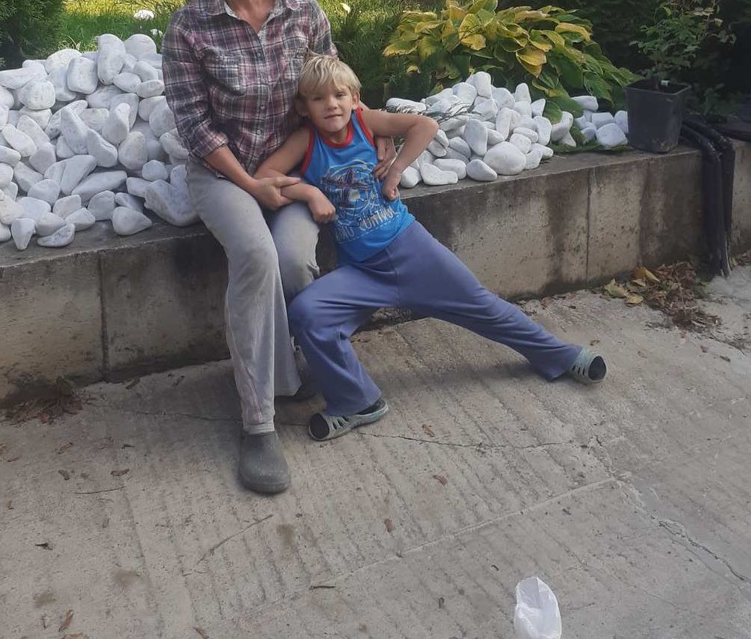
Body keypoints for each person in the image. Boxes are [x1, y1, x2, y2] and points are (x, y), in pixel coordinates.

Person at [162, 0, 392, 495]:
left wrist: (377, 132)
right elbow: (194, 125)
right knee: (257, 257)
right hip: (224, 174)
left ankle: (293, 367)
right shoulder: (190, 27)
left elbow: (332, 89)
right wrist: (250, 183)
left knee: (292, 259)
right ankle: (258, 422)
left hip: (295, 170)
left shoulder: (304, 12)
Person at [255, 55, 607, 442]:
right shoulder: (305, 141)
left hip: (411, 250)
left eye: (339, 95)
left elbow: (425, 125)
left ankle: (559, 355)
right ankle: (356, 401)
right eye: (318, 98)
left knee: (482, 306)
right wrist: (309, 192)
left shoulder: (365, 122)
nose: (331, 105)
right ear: (303, 107)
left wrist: (396, 169)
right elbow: (264, 176)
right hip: (361, 271)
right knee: (307, 312)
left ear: (355, 99)